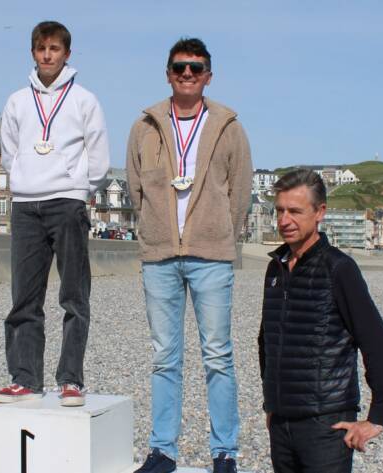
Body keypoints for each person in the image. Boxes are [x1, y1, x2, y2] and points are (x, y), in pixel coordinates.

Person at [126, 37, 252, 473]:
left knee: (218, 355)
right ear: (168, 74)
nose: (187, 74)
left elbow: (241, 192)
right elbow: (134, 188)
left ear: (208, 76)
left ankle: (225, 452)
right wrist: (154, 229)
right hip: (160, 256)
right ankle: (163, 450)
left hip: (211, 256)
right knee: (165, 358)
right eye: (179, 67)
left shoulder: (228, 126)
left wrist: (221, 235)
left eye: (195, 68)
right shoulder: (145, 125)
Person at [0, 20, 109, 408]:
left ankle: (70, 380)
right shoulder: (16, 101)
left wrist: (78, 190)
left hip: (67, 202)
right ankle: (25, 379)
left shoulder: (84, 100)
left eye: (55, 49)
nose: (48, 55)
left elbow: (98, 156)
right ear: (33, 53)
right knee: (24, 297)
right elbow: (9, 151)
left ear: (67, 54)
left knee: (74, 296)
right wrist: (24, 178)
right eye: (41, 48)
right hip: (26, 205)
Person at [259, 169, 383, 473]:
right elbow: (267, 340)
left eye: (295, 211)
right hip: (281, 422)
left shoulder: (339, 269)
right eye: (279, 210)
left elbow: (377, 345)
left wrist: (377, 417)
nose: (284, 220)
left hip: (326, 424)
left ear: (320, 212)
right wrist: (271, 404)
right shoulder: (275, 269)